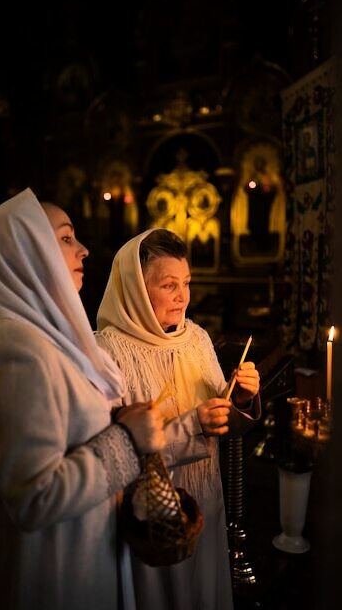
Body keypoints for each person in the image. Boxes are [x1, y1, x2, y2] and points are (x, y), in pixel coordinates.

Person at [0, 187, 166, 610]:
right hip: (52, 574)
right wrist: (126, 439)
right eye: (67, 238)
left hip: (80, 556)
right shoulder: (14, 350)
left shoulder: (48, 338)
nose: (84, 250)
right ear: (27, 250)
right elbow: (34, 497)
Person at [95, 228, 261, 610]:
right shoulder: (108, 352)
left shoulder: (197, 339)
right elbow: (112, 450)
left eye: (186, 283)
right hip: (152, 516)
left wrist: (241, 398)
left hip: (206, 501)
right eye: (169, 285)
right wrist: (193, 426)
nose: (183, 296)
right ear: (136, 288)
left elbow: (223, 420)